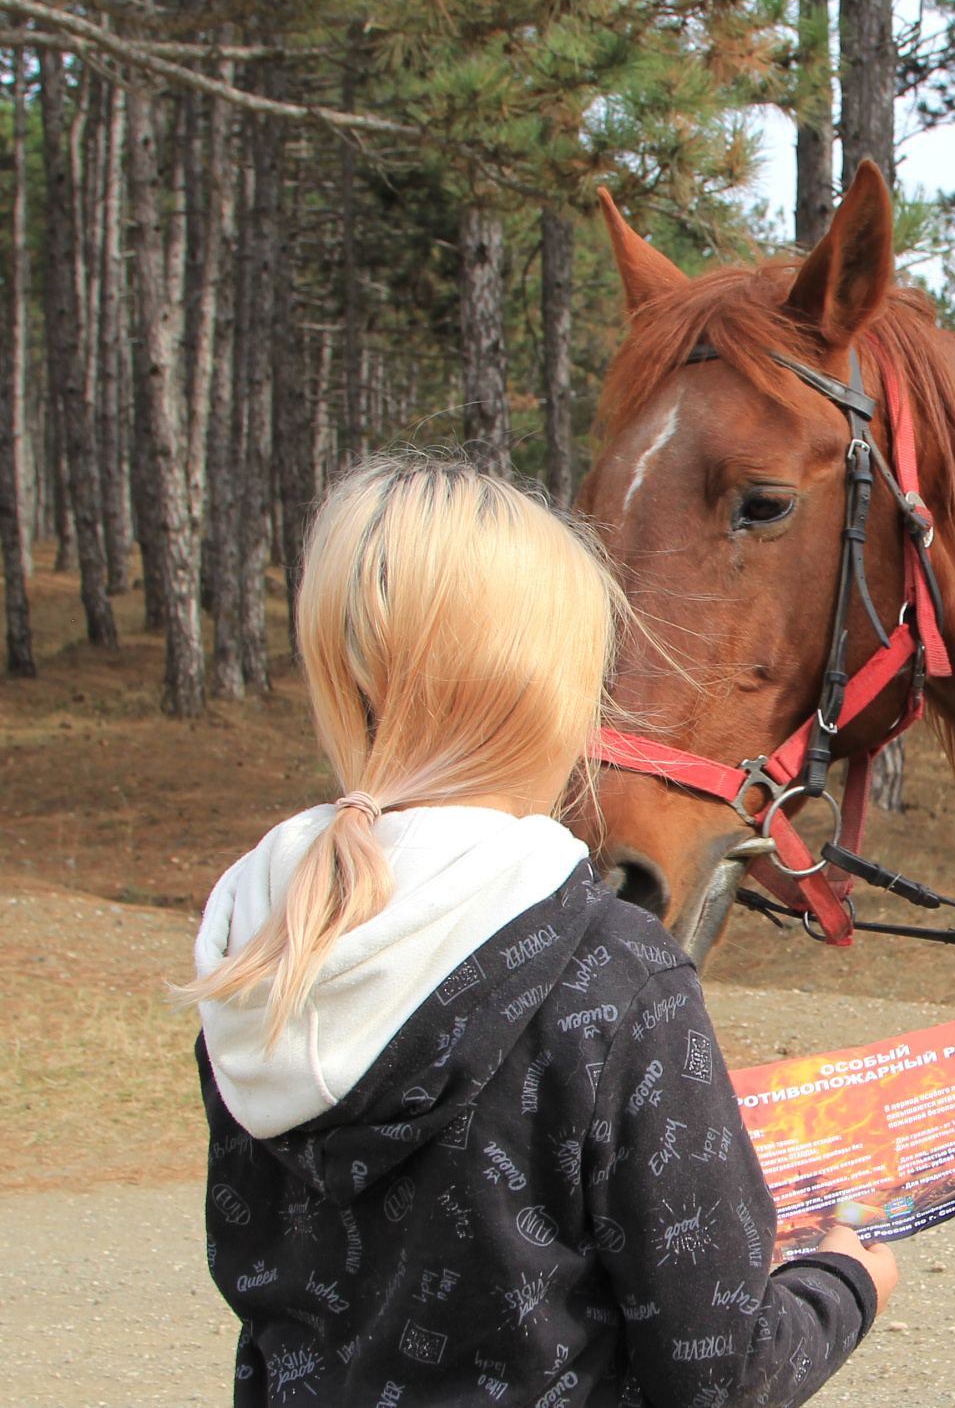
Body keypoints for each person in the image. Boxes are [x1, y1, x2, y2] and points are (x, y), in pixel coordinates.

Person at [181, 456, 896, 1406]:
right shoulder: (615, 973)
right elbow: (715, 1377)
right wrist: (845, 1281)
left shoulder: (261, 945)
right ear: (552, 689)